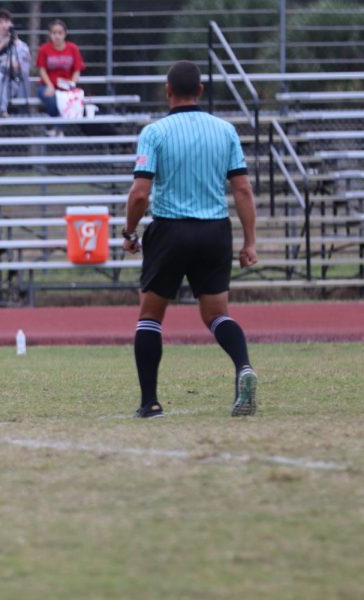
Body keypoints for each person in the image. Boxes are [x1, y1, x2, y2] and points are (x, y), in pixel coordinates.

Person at [123, 60, 259, 419]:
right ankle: (243, 366)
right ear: (200, 90)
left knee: (150, 317)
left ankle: (149, 402)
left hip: (171, 230)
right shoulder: (226, 131)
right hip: (215, 231)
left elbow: (139, 193)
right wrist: (250, 241)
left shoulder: (154, 133)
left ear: (167, 91)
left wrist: (129, 232)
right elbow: (242, 189)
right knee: (217, 314)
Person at [36, 19, 85, 136]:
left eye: (60, 33)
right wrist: (49, 85)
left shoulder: (73, 48)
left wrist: (71, 85)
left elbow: (77, 70)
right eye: (54, 33)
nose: (57, 36)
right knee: (53, 102)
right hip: (47, 85)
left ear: (65, 34)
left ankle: (55, 129)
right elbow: (41, 70)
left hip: (66, 87)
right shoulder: (44, 49)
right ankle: (53, 128)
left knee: (71, 103)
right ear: (50, 34)